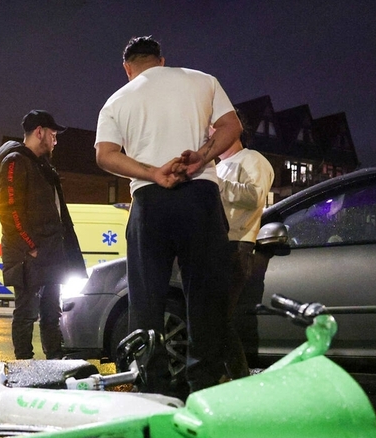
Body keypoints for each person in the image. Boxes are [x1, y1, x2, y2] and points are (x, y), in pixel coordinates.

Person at [95, 36, 243, 394]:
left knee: (145, 300)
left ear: (127, 68)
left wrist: (152, 172)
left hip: (149, 201)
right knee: (204, 297)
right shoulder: (202, 80)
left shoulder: (118, 99)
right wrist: (202, 158)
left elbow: (105, 154)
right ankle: (203, 386)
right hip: (199, 194)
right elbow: (231, 127)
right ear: (162, 61)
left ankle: (153, 386)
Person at [0, 110, 86, 360]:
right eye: (53, 134)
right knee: (26, 314)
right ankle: (24, 367)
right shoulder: (14, 162)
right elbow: (9, 211)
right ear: (39, 132)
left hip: (50, 254)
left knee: (51, 313)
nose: (55, 141)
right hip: (30, 257)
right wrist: (30, 247)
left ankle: (54, 363)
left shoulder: (43, 166)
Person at [215, 125, 275, 378]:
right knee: (211, 317)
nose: (208, 135)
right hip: (216, 245)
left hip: (236, 244)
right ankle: (223, 377)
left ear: (234, 130)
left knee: (219, 318)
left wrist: (214, 184)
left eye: (214, 128)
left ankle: (239, 378)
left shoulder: (253, 159)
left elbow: (254, 198)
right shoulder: (216, 167)